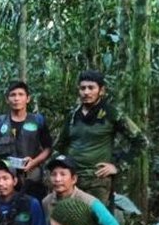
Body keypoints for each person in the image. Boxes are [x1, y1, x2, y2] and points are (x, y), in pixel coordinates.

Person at [56, 69, 148, 204]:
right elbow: (59, 146)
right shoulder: (73, 115)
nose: (86, 92)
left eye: (91, 88)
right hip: (72, 179)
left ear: (101, 90)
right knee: (68, 220)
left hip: (98, 181)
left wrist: (118, 166)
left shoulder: (112, 113)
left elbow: (141, 142)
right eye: (83, 88)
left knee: (96, 221)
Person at [0, 80, 53, 200]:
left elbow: (48, 148)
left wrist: (34, 162)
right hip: (6, 179)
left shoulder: (37, 121)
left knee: (32, 209)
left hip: (31, 178)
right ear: (7, 99)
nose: (16, 98)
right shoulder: (0, 122)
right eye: (13, 95)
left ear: (28, 99)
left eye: (21, 94)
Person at [43, 155, 120, 225]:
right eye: (54, 174)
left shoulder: (89, 202)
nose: (57, 179)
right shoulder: (47, 201)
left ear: (73, 179)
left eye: (63, 174)